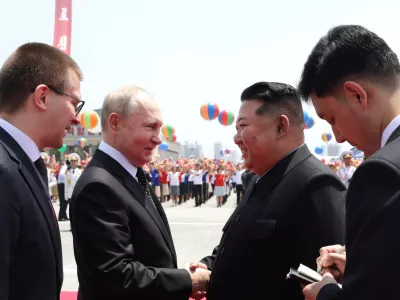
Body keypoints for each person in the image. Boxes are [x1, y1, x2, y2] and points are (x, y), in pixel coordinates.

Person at [190, 82, 346, 300]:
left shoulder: (316, 185)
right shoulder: (259, 178)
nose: (236, 139)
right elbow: (242, 246)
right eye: (236, 129)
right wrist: (209, 267)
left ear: (281, 126)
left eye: (243, 127)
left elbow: (319, 283)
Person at [70, 86, 210, 300]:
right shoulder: (99, 186)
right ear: (115, 123)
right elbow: (115, 275)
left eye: (159, 128)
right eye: (150, 127)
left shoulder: (130, 174)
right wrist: (187, 281)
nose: (158, 138)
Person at [299, 25, 400, 300]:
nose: (339, 137)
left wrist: (327, 292)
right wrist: (363, 259)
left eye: (332, 118)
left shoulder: (382, 172)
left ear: (357, 95)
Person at [0, 42, 83, 300]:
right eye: (75, 104)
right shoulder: (4, 172)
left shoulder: (22, 162)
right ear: (43, 97)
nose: (77, 118)